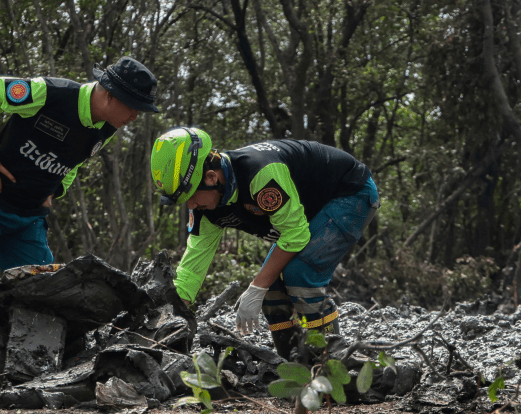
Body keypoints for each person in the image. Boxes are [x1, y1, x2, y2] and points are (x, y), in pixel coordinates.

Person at [0, 57, 159, 306]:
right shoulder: (52, 93)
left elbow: (76, 160)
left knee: (43, 293)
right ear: (110, 95)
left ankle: (19, 345)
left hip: (28, 219)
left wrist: (56, 189)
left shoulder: (108, 127)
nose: (135, 116)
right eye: (132, 107)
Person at [150, 128, 379, 359]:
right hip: (303, 212)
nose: (190, 206)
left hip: (350, 193)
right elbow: (190, 273)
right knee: (271, 283)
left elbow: (295, 234)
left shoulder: (259, 173)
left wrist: (255, 287)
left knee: (300, 273)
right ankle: (292, 364)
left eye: (190, 196)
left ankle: (331, 361)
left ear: (211, 177)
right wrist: (167, 319)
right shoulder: (206, 209)